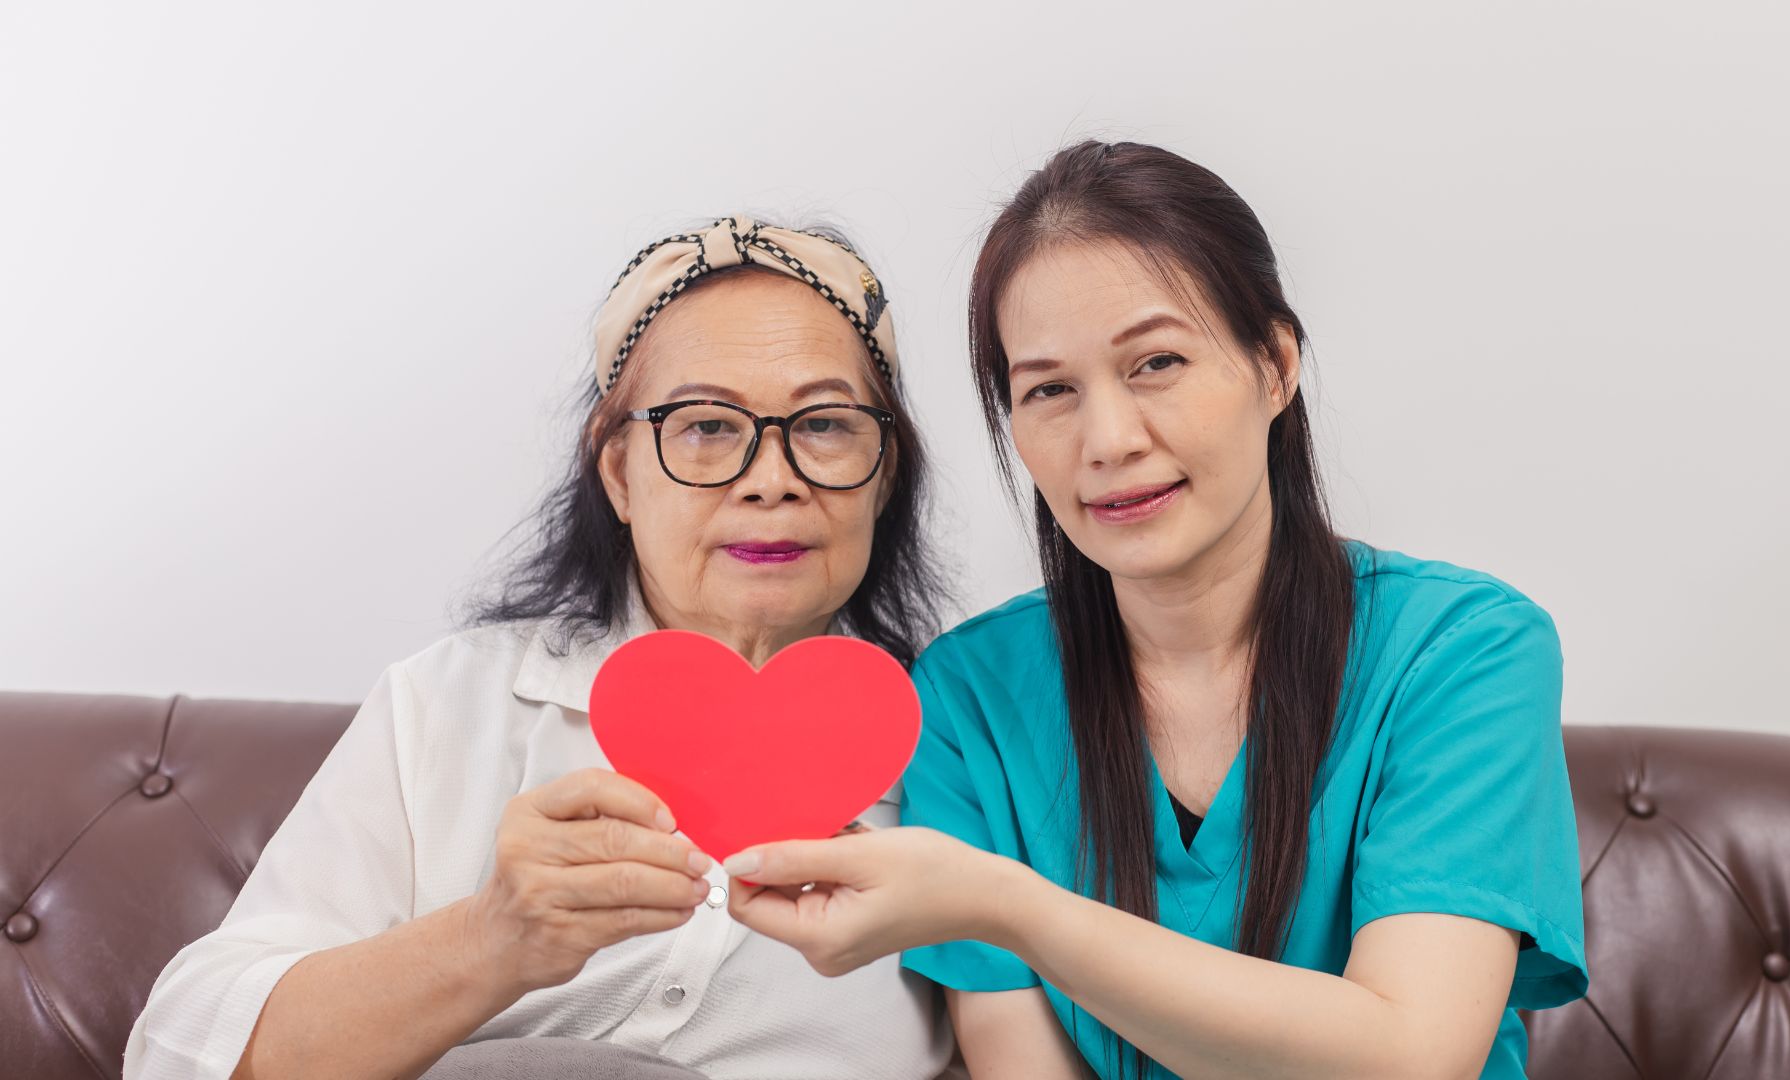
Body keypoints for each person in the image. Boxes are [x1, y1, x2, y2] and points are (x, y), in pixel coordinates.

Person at [724, 143, 1588, 1080]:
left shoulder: (1464, 651)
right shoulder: (968, 698)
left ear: (1274, 366)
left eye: (1156, 363)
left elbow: (1410, 1055)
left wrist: (1006, 905)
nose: (1108, 440)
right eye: (1049, 389)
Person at [125, 216, 957, 1080]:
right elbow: (180, 1051)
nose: (772, 478)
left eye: (825, 424)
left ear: (886, 471)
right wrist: (492, 938)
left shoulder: (966, 747)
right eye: (707, 426)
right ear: (619, 472)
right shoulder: (449, 702)